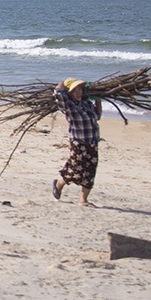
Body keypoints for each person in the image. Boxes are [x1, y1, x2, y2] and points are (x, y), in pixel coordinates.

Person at [52, 77, 102, 205]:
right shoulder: (69, 107)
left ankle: (83, 200)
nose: (78, 92)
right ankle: (59, 184)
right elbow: (58, 92)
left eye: (80, 89)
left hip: (92, 142)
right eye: (75, 89)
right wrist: (64, 83)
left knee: (90, 171)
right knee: (76, 170)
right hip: (78, 142)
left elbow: (97, 116)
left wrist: (98, 99)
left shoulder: (86, 104)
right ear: (70, 92)